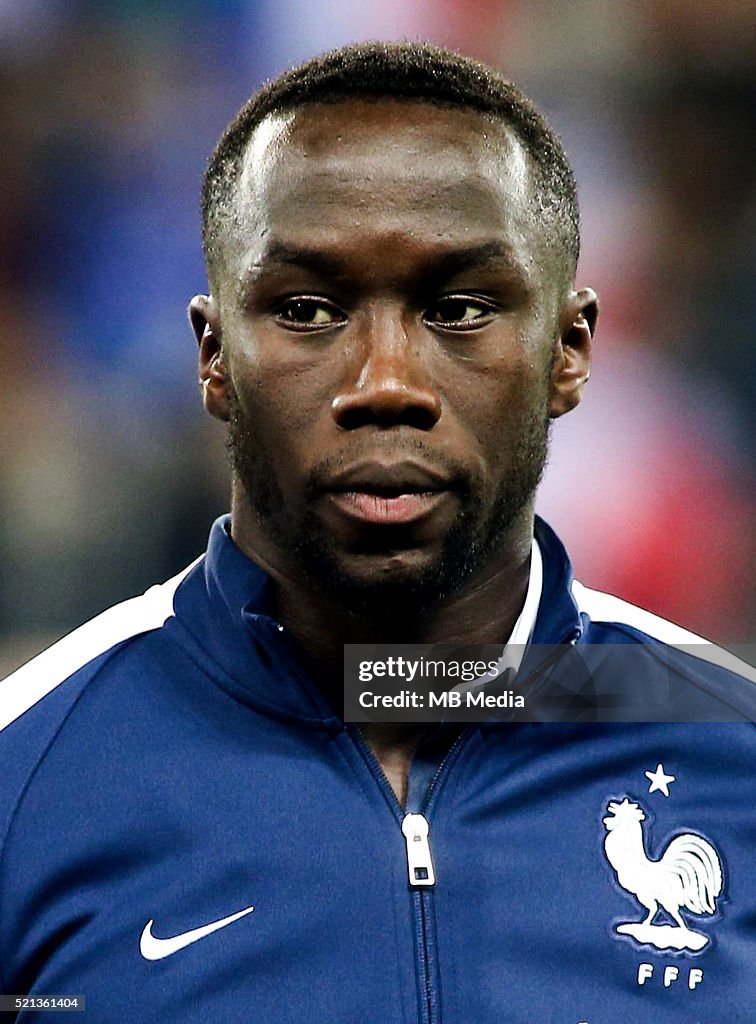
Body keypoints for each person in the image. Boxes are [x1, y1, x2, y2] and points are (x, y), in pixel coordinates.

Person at [0, 41, 754, 1024]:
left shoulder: (730, 750)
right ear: (215, 355)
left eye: (459, 307)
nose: (386, 383)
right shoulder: (26, 775)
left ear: (569, 351)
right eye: (308, 309)